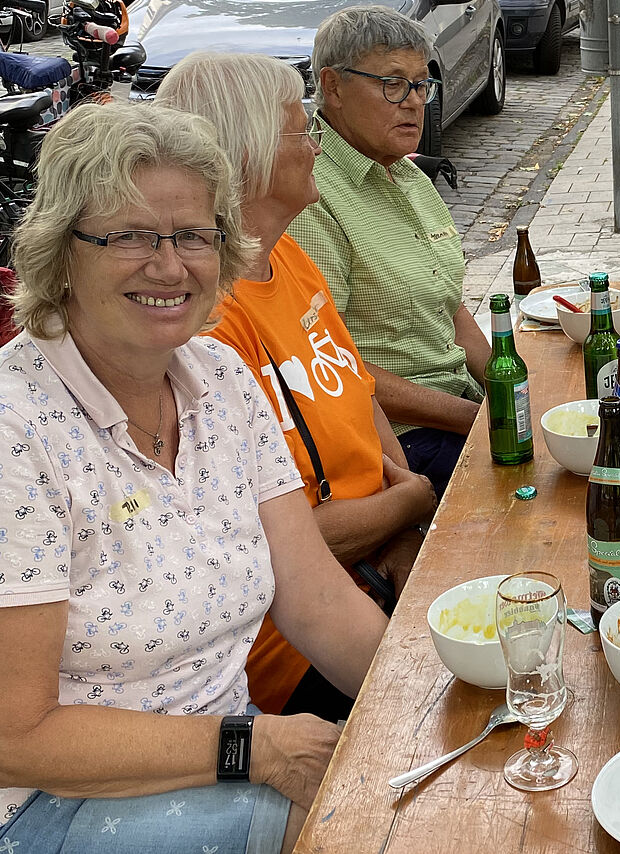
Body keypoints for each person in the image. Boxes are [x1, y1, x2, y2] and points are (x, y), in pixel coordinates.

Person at [0, 102, 387, 854]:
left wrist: (433, 693)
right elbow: (16, 736)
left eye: (193, 236)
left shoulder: (220, 376)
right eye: (130, 236)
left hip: (225, 760)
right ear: (61, 251)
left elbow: (317, 600)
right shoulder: (17, 431)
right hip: (52, 803)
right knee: (366, 828)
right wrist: (250, 747)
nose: (170, 266)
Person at [156, 51, 437, 718]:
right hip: (295, 655)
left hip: (374, 572)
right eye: (302, 128)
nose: (317, 145)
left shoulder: (286, 254)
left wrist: (405, 529)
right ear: (246, 153)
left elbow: (358, 390)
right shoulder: (208, 325)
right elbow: (280, 542)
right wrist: (411, 503)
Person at [288, 5, 488, 499]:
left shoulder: (408, 174)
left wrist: (512, 388)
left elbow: (450, 307)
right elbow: (328, 366)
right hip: (400, 441)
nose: (414, 102)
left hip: (459, 408)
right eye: (393, 84)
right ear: (333, 86)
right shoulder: (312, 195)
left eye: (421, 84)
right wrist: (476, 418)